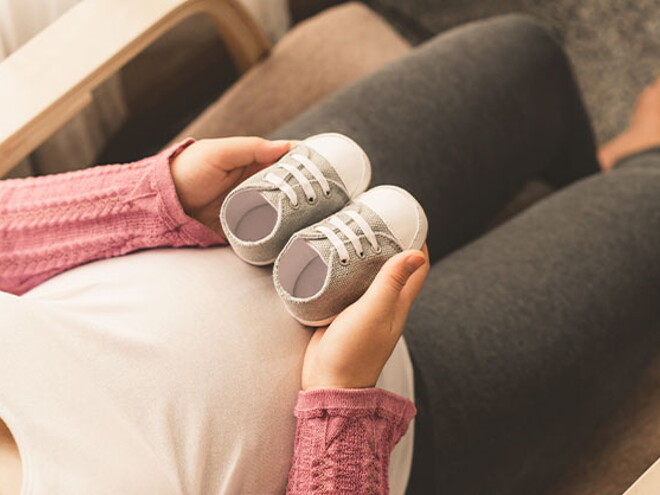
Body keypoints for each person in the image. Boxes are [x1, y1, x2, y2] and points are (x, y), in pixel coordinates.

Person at [1, 13, 659, 495]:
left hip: (243, 225)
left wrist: (151, 197)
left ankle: (592, 171)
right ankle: (629, 171)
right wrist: (345, 402)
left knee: (522, 58)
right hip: (387, 410)